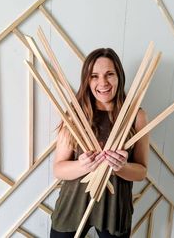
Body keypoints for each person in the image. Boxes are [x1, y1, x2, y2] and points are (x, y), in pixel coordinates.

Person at [50, 48, 149, 237]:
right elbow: (58, 169)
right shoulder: (75, 115)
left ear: (119, 76)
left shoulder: (136, 116)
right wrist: (82, 165)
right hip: (72, 206)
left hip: (114, 211)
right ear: (87, 80)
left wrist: (120, 167)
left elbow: (141, 172)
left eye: (109, 74)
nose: (102, 82)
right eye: (94, 76)